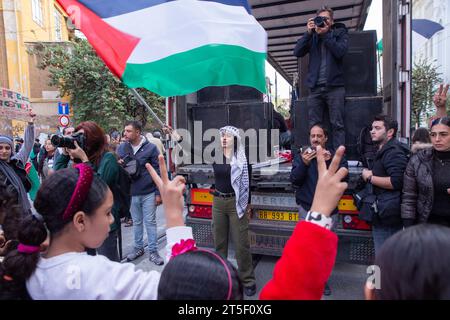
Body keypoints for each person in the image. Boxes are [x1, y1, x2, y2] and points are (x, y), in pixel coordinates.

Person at [0, 162, 194, 300]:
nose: (111, 220)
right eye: (107, 212)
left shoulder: (26, 264)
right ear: (80, 220)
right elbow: (181, 290)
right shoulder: (98, 276)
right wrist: (174, 215)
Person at [290, 123, 346, 296]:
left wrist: (329, 162)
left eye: (319, 136)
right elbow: (294, 181)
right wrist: (304, 164)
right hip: (306, 209)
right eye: (312, 136)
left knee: (323, 250)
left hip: (329, 212)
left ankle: (321, 281)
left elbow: (345, 179)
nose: (315, 139)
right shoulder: (302, 157)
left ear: (325, 138)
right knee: (305, 249)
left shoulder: (334, 156)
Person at [53, 121, 122, 262]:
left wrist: (84, 160)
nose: (78, 141)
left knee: (107, 265)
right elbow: (59, 174)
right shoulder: (79, 160)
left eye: (82, 138)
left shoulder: (108, 158)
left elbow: (98, 187)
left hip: (104, 222)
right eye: (76, 137)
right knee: (88, 265)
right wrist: (66, 154)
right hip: (84, 222)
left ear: (94, 139)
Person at [293, 5, 348, 151]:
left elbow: (340, 52)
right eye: (320, 19)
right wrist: (308, 33)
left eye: (326, 19)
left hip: (335, 87)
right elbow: (297, 52)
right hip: (315, 88)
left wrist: (326, 35)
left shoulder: (340, 33)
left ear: (332, 21)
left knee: (337, 124)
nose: (323, 22)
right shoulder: (313, 36)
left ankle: (339, 159)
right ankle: (316, 157)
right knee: (314, 125)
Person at [211, 125, 256, 297]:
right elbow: (191, 149)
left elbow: (247, 184)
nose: (224, 138)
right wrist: (176, 135)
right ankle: (222, 278)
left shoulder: (243, 159)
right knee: (219, 244)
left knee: (241, 244)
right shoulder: (214, 155)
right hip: (218, 203)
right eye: (222, 135)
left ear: (235, 140)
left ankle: (248, 281)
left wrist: (248, 205)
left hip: (237, 203)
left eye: (228, 136)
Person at [117, 121, 164, 265]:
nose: (125, 133)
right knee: (137, 222)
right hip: (131, 193)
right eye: (125, 130)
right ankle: (138, 249)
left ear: (138, 132)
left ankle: (153, 252)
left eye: (129, 131)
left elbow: (157, 172)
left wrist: (158, 193)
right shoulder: (122, 148)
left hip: (149, 192)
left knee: (150, 222)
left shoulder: (151, 148)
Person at [361, 115, 409, 254]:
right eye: (372, 128)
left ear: (390, 132)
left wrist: (370, 177)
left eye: (377, 128)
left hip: (388, 216)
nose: (372, 131)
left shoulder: (394, 152)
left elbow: (397, 181)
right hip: (384, 212)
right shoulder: (385, 150)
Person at [402, 117, 450, 227]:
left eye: (443, 134)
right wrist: (408, 225)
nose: (437, 139)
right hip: (427, 225)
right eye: (433, 135)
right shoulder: (418, 160)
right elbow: (409, 196)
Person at [0, 110, 36, 215]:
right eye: (0, 148)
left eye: (7, 148)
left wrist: (30, 124)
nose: (4, 151)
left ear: (11, 150)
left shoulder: (16, 161)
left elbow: (28, 145)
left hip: (23, 211)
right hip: (6, 216)